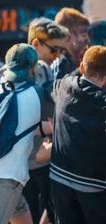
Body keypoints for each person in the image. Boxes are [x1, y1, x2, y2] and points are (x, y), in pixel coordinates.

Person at [0, 44, 40, 224]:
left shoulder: (0, 89)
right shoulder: (36, 94)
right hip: (5, 176)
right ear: (33, 68)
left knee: (20, 212)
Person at [49, 46, 106, 224]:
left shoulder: (64, 85)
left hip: (59, 178)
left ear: (82, 68)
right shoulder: (102, 103)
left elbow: (54, 83)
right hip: (94, 185)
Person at [23, 18, 67, 224]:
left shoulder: (45, 68)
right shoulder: (37, 68)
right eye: (54, 49)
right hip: (34, 155)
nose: (58, 55)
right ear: (36, 45)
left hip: (34, 155)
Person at [52, 8, 90, 79]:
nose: (87, 40)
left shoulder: (75, 60)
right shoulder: (60, 63)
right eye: (83, 33)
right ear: (67, 36)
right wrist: (85, 68)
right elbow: (60, 86)